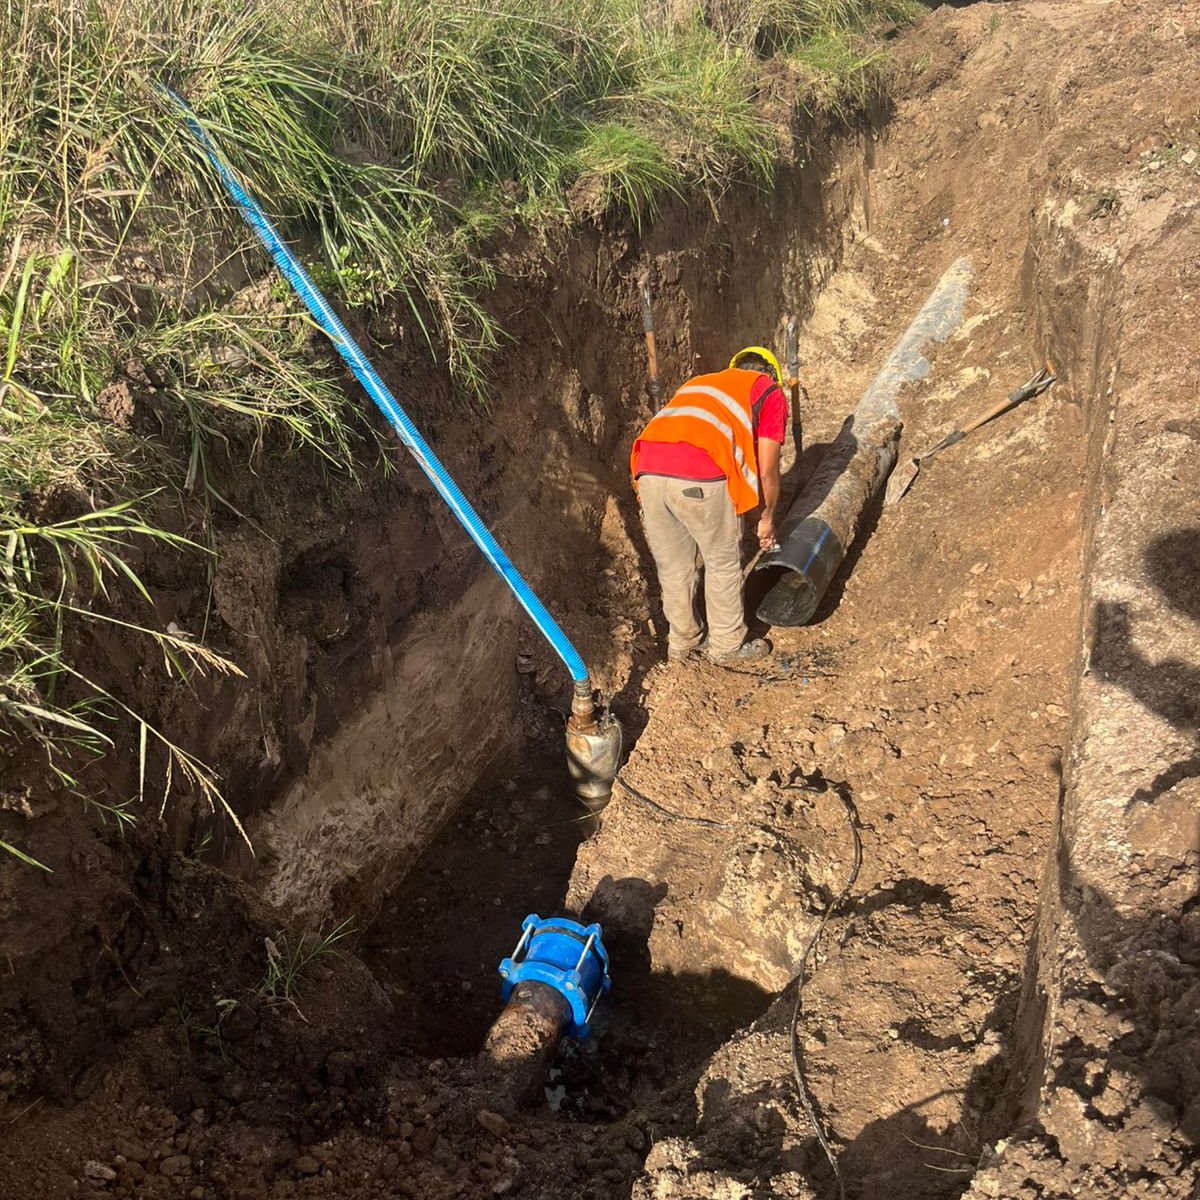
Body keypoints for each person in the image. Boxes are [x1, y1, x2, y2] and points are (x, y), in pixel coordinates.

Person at [630, 346, 786, 664]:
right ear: (771, 376)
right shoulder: (769, 392)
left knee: (675, 567)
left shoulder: (701, 384)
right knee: (723, 562)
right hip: (699, 472)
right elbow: (767, 470)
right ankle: (727, 646)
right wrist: (767, 518)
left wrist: (752, 510)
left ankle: (682, 643)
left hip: (647, 469)